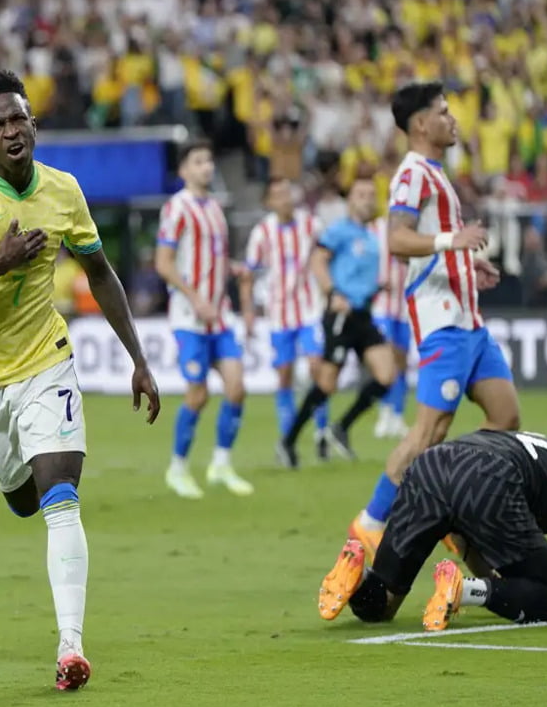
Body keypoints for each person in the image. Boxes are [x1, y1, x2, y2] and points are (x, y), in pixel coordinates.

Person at [0, 70, 160, 692]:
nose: (10, 131)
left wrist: (138, 357)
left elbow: (100, 272)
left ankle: (70, 646)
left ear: (34, 125)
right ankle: (23, 490)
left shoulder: (64, 191)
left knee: (60, 495)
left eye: (17, 119)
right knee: (23, 500)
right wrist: (0, 261)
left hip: (47, 360)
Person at [348, 81, 517, 560]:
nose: (453, 118)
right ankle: (370, 524)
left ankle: (447, 495)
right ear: (420, 124)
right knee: (428, 433)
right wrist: (451, 244)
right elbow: (398, 241)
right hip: (441, 322)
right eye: (444, 112)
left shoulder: (437, 174)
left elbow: (430, 242)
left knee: (505, 419)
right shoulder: (412, 174)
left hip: (471, 322)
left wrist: (466, 264)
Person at [319, 429, 547, 631]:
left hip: (430, 465)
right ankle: (466, 590)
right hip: (488, 475)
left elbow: (473, 536)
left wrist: (501, 588)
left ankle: (358, 578)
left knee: (383, 604)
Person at [154, 140, 254, 499]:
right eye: (198, 162)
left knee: (237, 389)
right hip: (189, 318)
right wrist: (195, 298)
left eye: (210, 160)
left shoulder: (215, 207)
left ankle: (221, 464)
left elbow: (211, 259)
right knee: (198, 394)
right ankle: (177, 468)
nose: (207, 167)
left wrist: (233, 269)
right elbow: (163, 263)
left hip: (219, 316)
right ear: (184, 171)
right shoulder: (176, 209)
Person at [276, 177, 397, 467]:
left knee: (387, 376)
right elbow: (317, 261)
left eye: (371, 194)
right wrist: (332, 292)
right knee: (327, 384)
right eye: (361, 194)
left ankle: (340, 428)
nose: (367, 199)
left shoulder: (371, 236)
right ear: (350, 200)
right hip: (341, 315)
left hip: (364, 314)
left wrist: (377, 288)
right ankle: (288, 441)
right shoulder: (339, 231)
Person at [239, 178, 328, 457]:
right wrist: (249, 311)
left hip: (309, 309)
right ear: (269, 202)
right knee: (285, 375)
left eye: (287, 192)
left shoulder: (311, 224)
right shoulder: (262, 232)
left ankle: (322, 433)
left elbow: (327, 256)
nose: (285, 199)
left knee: (317, 368)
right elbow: (248, 275)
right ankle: (288, 440)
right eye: (278, 195)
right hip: (279, 314)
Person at [370, 212, 410, 439]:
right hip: (381, 305)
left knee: (402, 362)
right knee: (388, 358)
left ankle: (397, 414)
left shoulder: (414, 231)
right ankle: (385, 413)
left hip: (405, 307)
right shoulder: (375, 229)